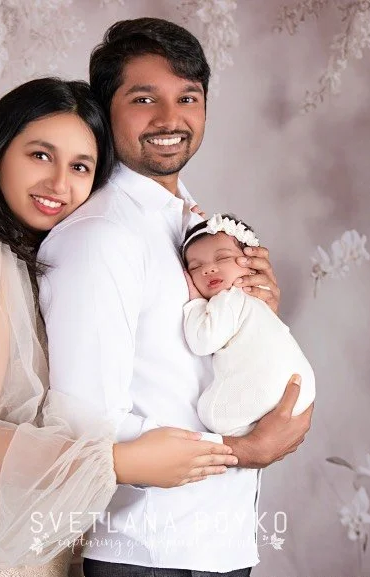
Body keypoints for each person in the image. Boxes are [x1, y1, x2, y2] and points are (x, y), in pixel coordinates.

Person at [0, 78, 238, 577]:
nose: (60, 184)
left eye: (80, 166)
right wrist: (122, 462)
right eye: (41, 156)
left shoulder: (26, 261)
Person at [38, 19, 315, 577]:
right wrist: (245, 451)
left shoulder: (195, 225)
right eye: (144, 98)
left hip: (218, 543)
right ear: (104, 108)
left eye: (187, 97)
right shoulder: (101, 237)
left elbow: (182, 371)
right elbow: (85, 421)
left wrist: (249, 325)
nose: (170, 118)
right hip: (147, 552)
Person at [182, 213, 317, 437]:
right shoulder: (258, 303)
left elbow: (202, 341)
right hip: (301, 386)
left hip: (269, 388)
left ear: (251, 265)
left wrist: (195, 302)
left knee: (210, 413)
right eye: (195, 267)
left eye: (223, 258)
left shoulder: (230, 298)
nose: (209, 269)